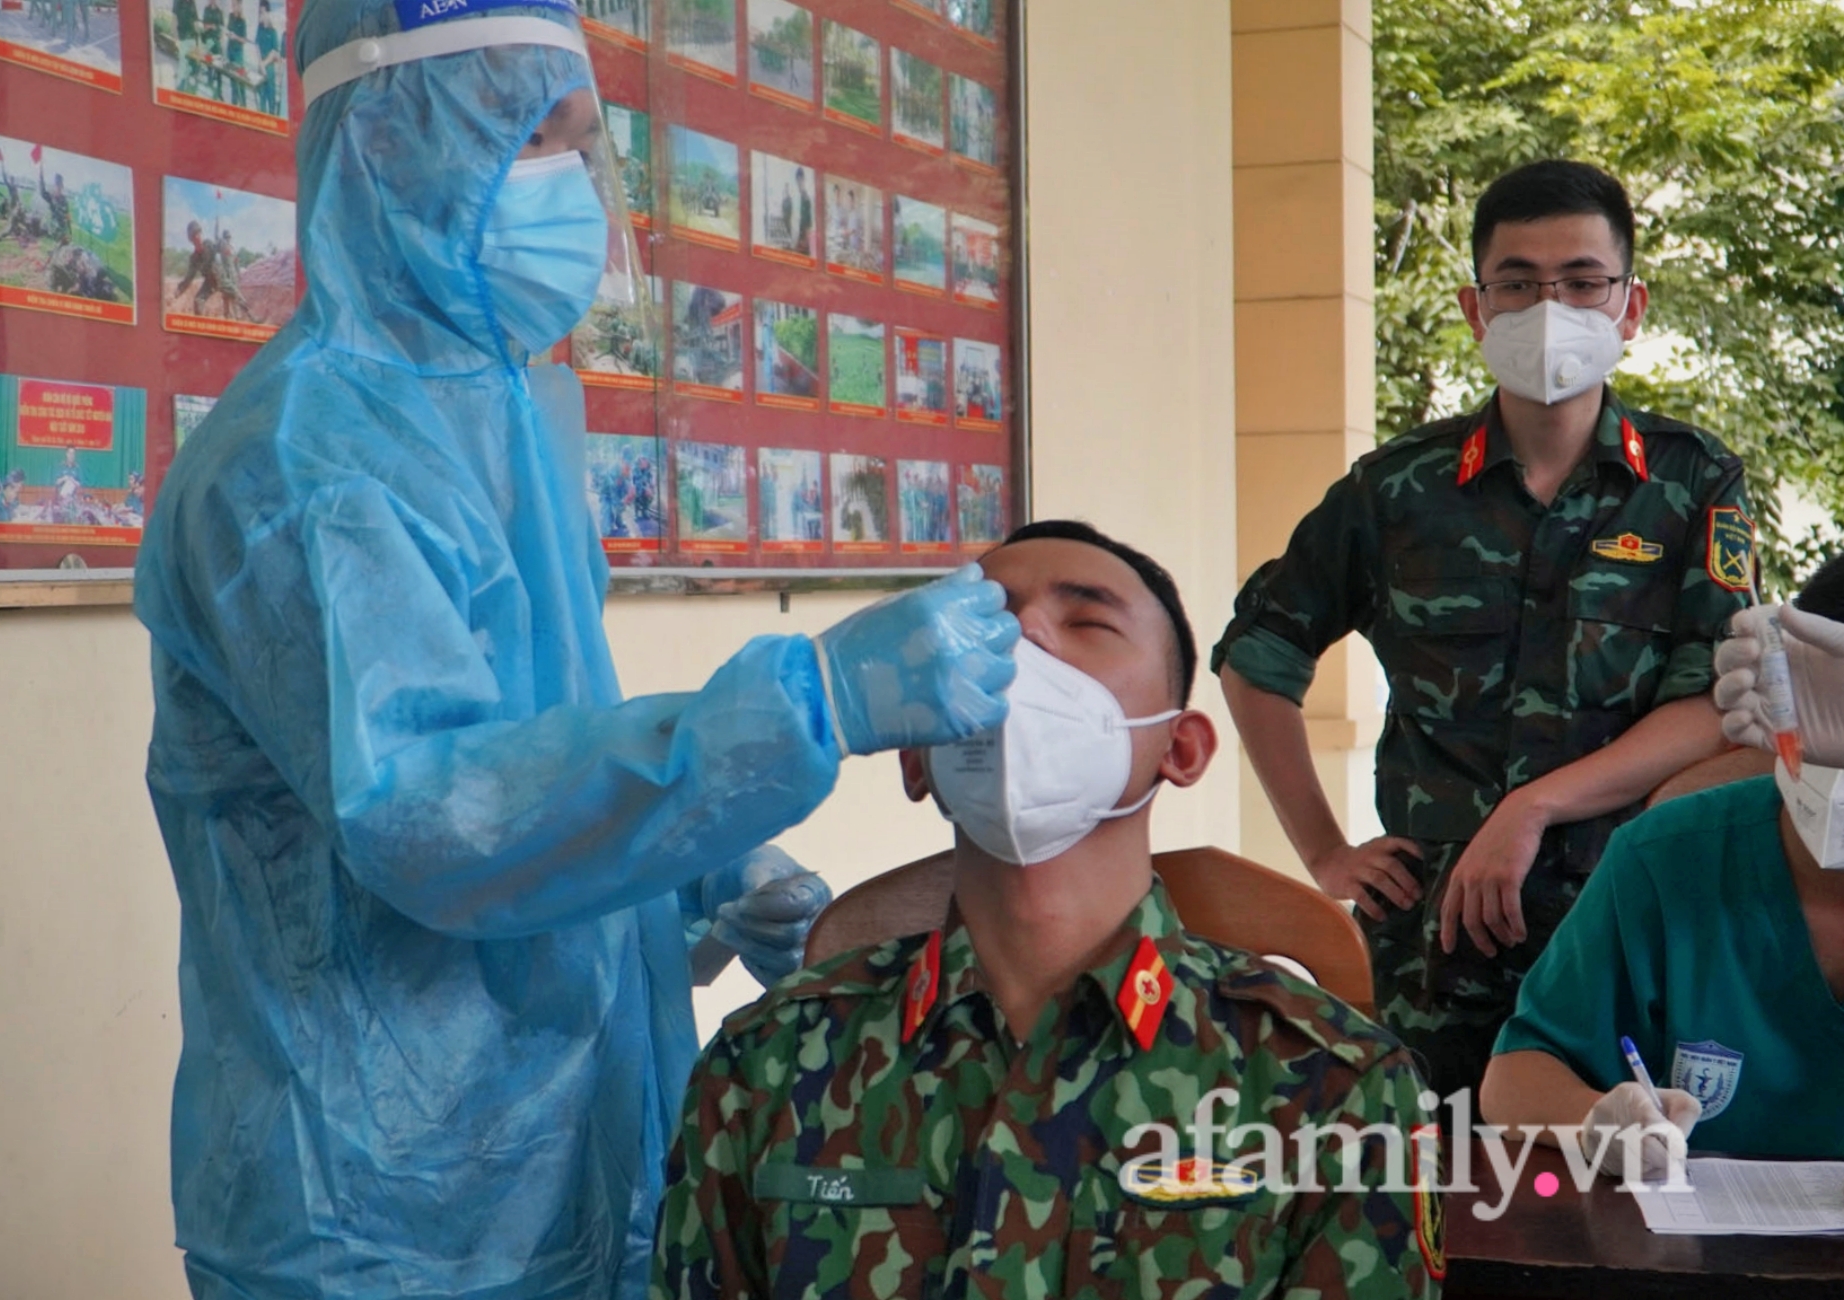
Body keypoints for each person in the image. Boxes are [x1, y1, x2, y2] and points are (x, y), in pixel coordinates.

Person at [130, 5, 1021, 1299]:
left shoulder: (506, 412)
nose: (573, 189)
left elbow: (536, 743)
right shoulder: (300, 469)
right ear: (389, 145)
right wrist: (809, 703)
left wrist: (691, 867)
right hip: (382, 1207)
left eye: (581, 143)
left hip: (567, 1156)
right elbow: (431, 815)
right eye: (529, 141)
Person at [655, 521, 1442, 1300]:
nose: (1022, 643)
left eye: (1086, 619)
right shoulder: (766, 1067)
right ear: (916, 757)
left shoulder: (1335, 1085)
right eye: (984, 624)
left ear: (1181, 750)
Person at [1213, 160, 1756, 1101]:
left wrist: (1533, 806)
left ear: (1629, 307)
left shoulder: (1693, 481)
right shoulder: (1397, 491)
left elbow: (1715, 706)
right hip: (1433, 953)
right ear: (1477, 307)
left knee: (1627, 1194)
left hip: (1623, 925)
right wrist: (1323, 851)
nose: (1552, 306)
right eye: (1518, 282)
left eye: (1583, 281)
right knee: (1435, 1213)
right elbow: (1258, 656)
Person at [1481, 553, 1844, 1168]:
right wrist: (1595, 1123)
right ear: (1781, 719)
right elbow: (1514, 1077)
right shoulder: (1670, 859)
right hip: (1692, 1253)